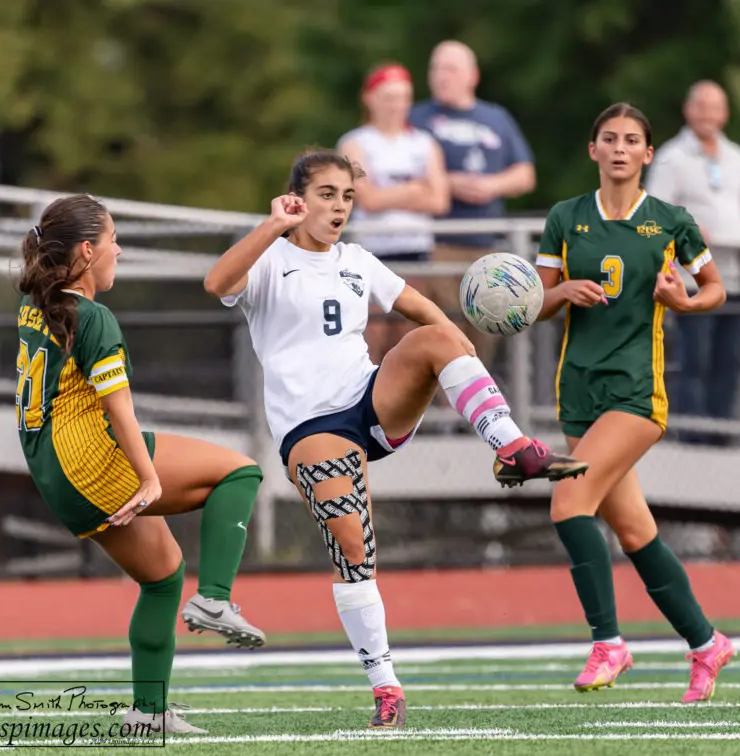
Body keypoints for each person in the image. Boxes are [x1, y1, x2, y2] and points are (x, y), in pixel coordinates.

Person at [204, 149, 587, 729]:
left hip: (370, 399)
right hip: (310, 426)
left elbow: (426, 314)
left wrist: (467, 335)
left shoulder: (358, 259)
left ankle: (510, 447)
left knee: (438, 337)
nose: (338, 207)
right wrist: (272, 226)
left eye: (347, 197)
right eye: (326, 194)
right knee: (355, 549)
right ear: (297, 198)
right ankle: (386, 687)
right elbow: (216, 282)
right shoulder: (269, 256)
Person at [15, 195, 265, 735]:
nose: (118, 250)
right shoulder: (93, 315)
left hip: (55, 476)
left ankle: (147, 715)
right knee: (240, 472)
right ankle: (216, 601)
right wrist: (149, 478)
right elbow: (119, 410)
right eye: (112, 240)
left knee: (163, 576)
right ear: (86, 251)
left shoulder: (37, 304)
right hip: (93, 461)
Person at [534, 103, 734, 704]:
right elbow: (533, 305)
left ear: (649, 154)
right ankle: (706, 643)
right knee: (635, 531)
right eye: (608, 139)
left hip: (635, 394)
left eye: (632, 141)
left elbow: (716, 289)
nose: (619, 148)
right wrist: (560, 290)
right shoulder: (565, 218)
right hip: (579, 392)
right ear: (592, 149)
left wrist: (684, 301)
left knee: (569, 501)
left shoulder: (670, 221)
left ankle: (609, 642)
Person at [645, 80, 740, 444]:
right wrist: (691, 232)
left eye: (715, 107)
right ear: (688, 110)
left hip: (734, 280)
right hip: (691, 281)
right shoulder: (672, 156)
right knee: (694, 361)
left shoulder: (737, 156)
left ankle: (722, 438)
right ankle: (693, 438)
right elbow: (654, 214)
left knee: (730, 363)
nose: (708, 115)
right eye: (701, 106)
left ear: (725, 114)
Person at [409, 40, 536, 368]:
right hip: (435, 245)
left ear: (472, 75)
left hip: (487, 247)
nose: (441, 76)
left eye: (450, 68)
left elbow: (525, 174)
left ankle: (476, 411)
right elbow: (399, 176)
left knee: (485, 334)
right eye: (435, 68)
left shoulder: (496, 118)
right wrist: (448, 183)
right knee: (442, 332)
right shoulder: (417, 118)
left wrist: (492, 185)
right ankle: (442, 415)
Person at [337, 62, 449, 363]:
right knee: (370, 338)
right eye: (388, 97)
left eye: (402, 97)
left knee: (408, 340)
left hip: (414, 251)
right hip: (372, 252)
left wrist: (390, 194)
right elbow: (367, 199)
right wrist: (414, 190)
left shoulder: (424, 143)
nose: (396, 105)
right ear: (370, 98)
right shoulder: (355, 142)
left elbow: (439, 200)